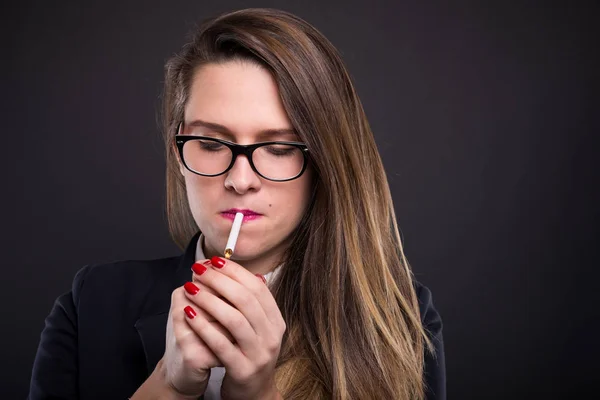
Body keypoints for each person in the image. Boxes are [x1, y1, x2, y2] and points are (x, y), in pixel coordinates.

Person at [28, 7, 446, 400]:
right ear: (178, 153)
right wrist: (168, 385)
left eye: (279, 148)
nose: (240, 180)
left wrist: (257, 393)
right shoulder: (92, 305)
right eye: (210, 143)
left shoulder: (398, 322)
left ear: (324, 162)